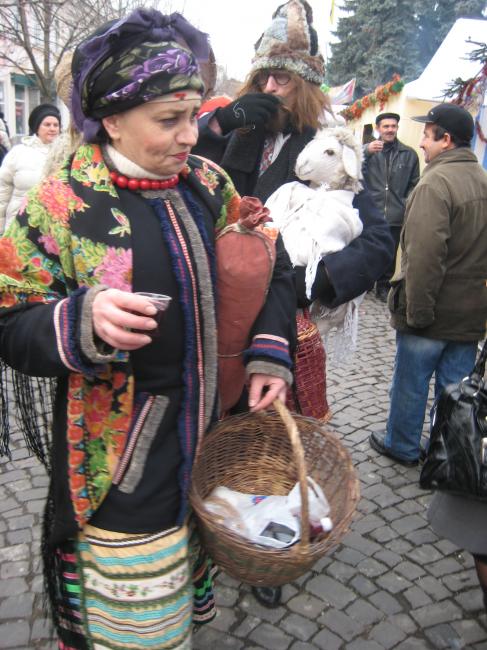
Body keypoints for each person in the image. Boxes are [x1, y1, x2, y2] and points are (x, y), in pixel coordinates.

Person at [0, 8, 296, 649]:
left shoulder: (210, 185)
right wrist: (78, 320)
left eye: (192, 115)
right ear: (111, 119)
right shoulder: (62, 204)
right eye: (169, 120)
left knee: (181, 618)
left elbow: (274, 269)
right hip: (123, 468)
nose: (191, 135)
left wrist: (271, 354)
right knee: (136, 632)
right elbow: (9, 316)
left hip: (213, 447)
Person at [194, 0, 394, 607]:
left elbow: (379, 236)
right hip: (220, 309)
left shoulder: (326, 142)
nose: (272, 87)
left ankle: (273, 545)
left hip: (286, 310)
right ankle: (217, 520)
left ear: (305, 83)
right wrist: (220, 126)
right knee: (217, 424)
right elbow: (189, 185)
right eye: (264, 77)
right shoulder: (234, 129)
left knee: (282, 433)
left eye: (283, 78)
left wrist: (319, 282)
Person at [369, 102, 487, 468]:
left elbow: (422, 257)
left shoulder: (434, 183)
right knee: (454, 390)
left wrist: (417, 313)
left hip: (432, 312)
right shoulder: (483, 180)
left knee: (410, 384)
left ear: (446, 139)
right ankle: (446, 451)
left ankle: (403, 447)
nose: (421, 142)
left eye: (426, 134)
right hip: (469, 315)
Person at [362, 112, 420, 302]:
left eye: (393, 126)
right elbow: (354, 171)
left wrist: (406, 202)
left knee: (389, 252)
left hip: (396, 212)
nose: (390, 130)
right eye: (386, 126)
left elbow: (415, 183)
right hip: (371, 211)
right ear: (378, 128)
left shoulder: (409, 154)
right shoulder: (369, 151)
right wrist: (365, 152)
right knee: (368, 248)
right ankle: (365, 283)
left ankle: (383, 286)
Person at [0, 103, 60, 234]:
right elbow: (3, 192)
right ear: (37, 127)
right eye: (47, 124)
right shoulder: (18, 153)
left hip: (52, 228)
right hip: (19, 225)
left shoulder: (65, 155)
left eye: (56, 125)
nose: (52, 128)